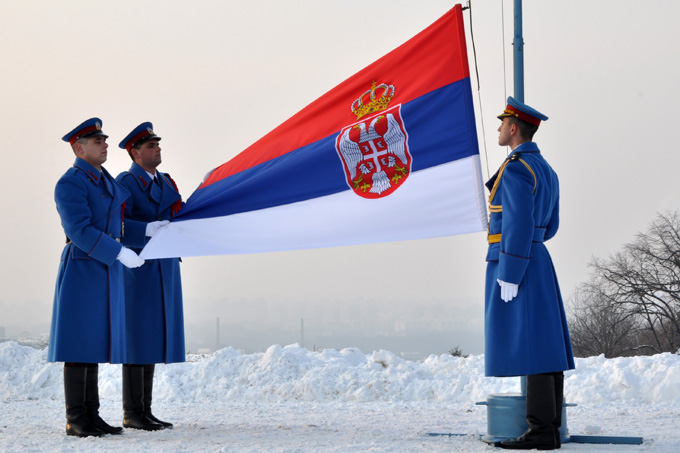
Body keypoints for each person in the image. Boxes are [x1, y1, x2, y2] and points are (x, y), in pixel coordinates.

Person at [49, 118, 166, 437]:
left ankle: (92, 415)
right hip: (83, 266)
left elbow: (119, 226)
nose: (104, 144)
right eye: (97, 141)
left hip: (104, 267)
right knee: (79, 341)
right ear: (79, 148)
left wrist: (146, 230)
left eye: (104, 140)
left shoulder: (106, 181)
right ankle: (76, 418)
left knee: (94, 341)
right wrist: (118, 252)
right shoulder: (71, 182)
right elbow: (79, 229)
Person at [484, 98, 575, 450]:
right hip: (537, 257)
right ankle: (548, 428)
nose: (498, 129)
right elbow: (550, 226)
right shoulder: (546, 169)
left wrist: (510, 271)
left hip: (517, 261)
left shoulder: (518, 168)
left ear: (513, 128)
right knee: (545, 344)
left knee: (533, 346)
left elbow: (518, 224)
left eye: (502, 123)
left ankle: (540, 430)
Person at [115, 122, 185, 431]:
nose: (157, 149)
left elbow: (182, 212)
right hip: (139, 268)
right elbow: (115, 223)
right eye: (150, 146)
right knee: (137, 337)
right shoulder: (125, 182)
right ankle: (132, 412)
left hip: (164, 266)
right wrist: (145, 229)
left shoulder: (166, 181)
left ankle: (145, 410)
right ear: (135, 153)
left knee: (154, 335)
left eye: (157, 144)